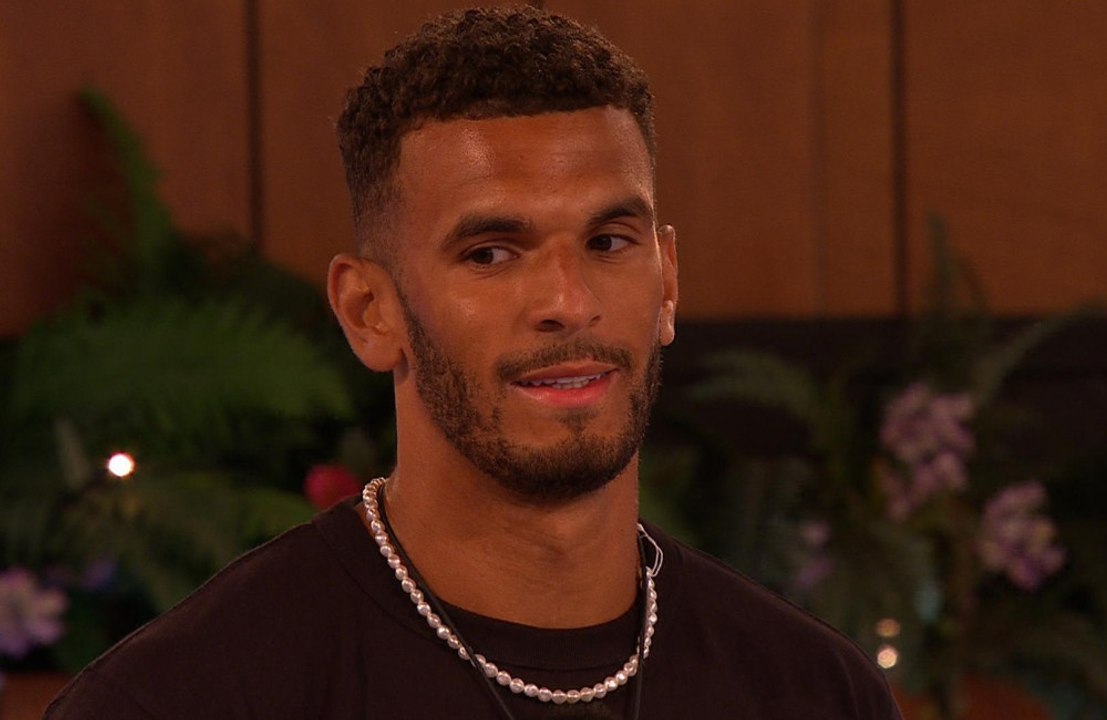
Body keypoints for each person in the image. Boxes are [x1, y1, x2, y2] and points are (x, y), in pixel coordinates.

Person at [46, 7, 903, 719]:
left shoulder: (815, 694)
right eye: (490, 253)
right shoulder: (179, 699)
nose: (567, 300)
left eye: (608, 241)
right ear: (369, 312)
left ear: (667, 281)